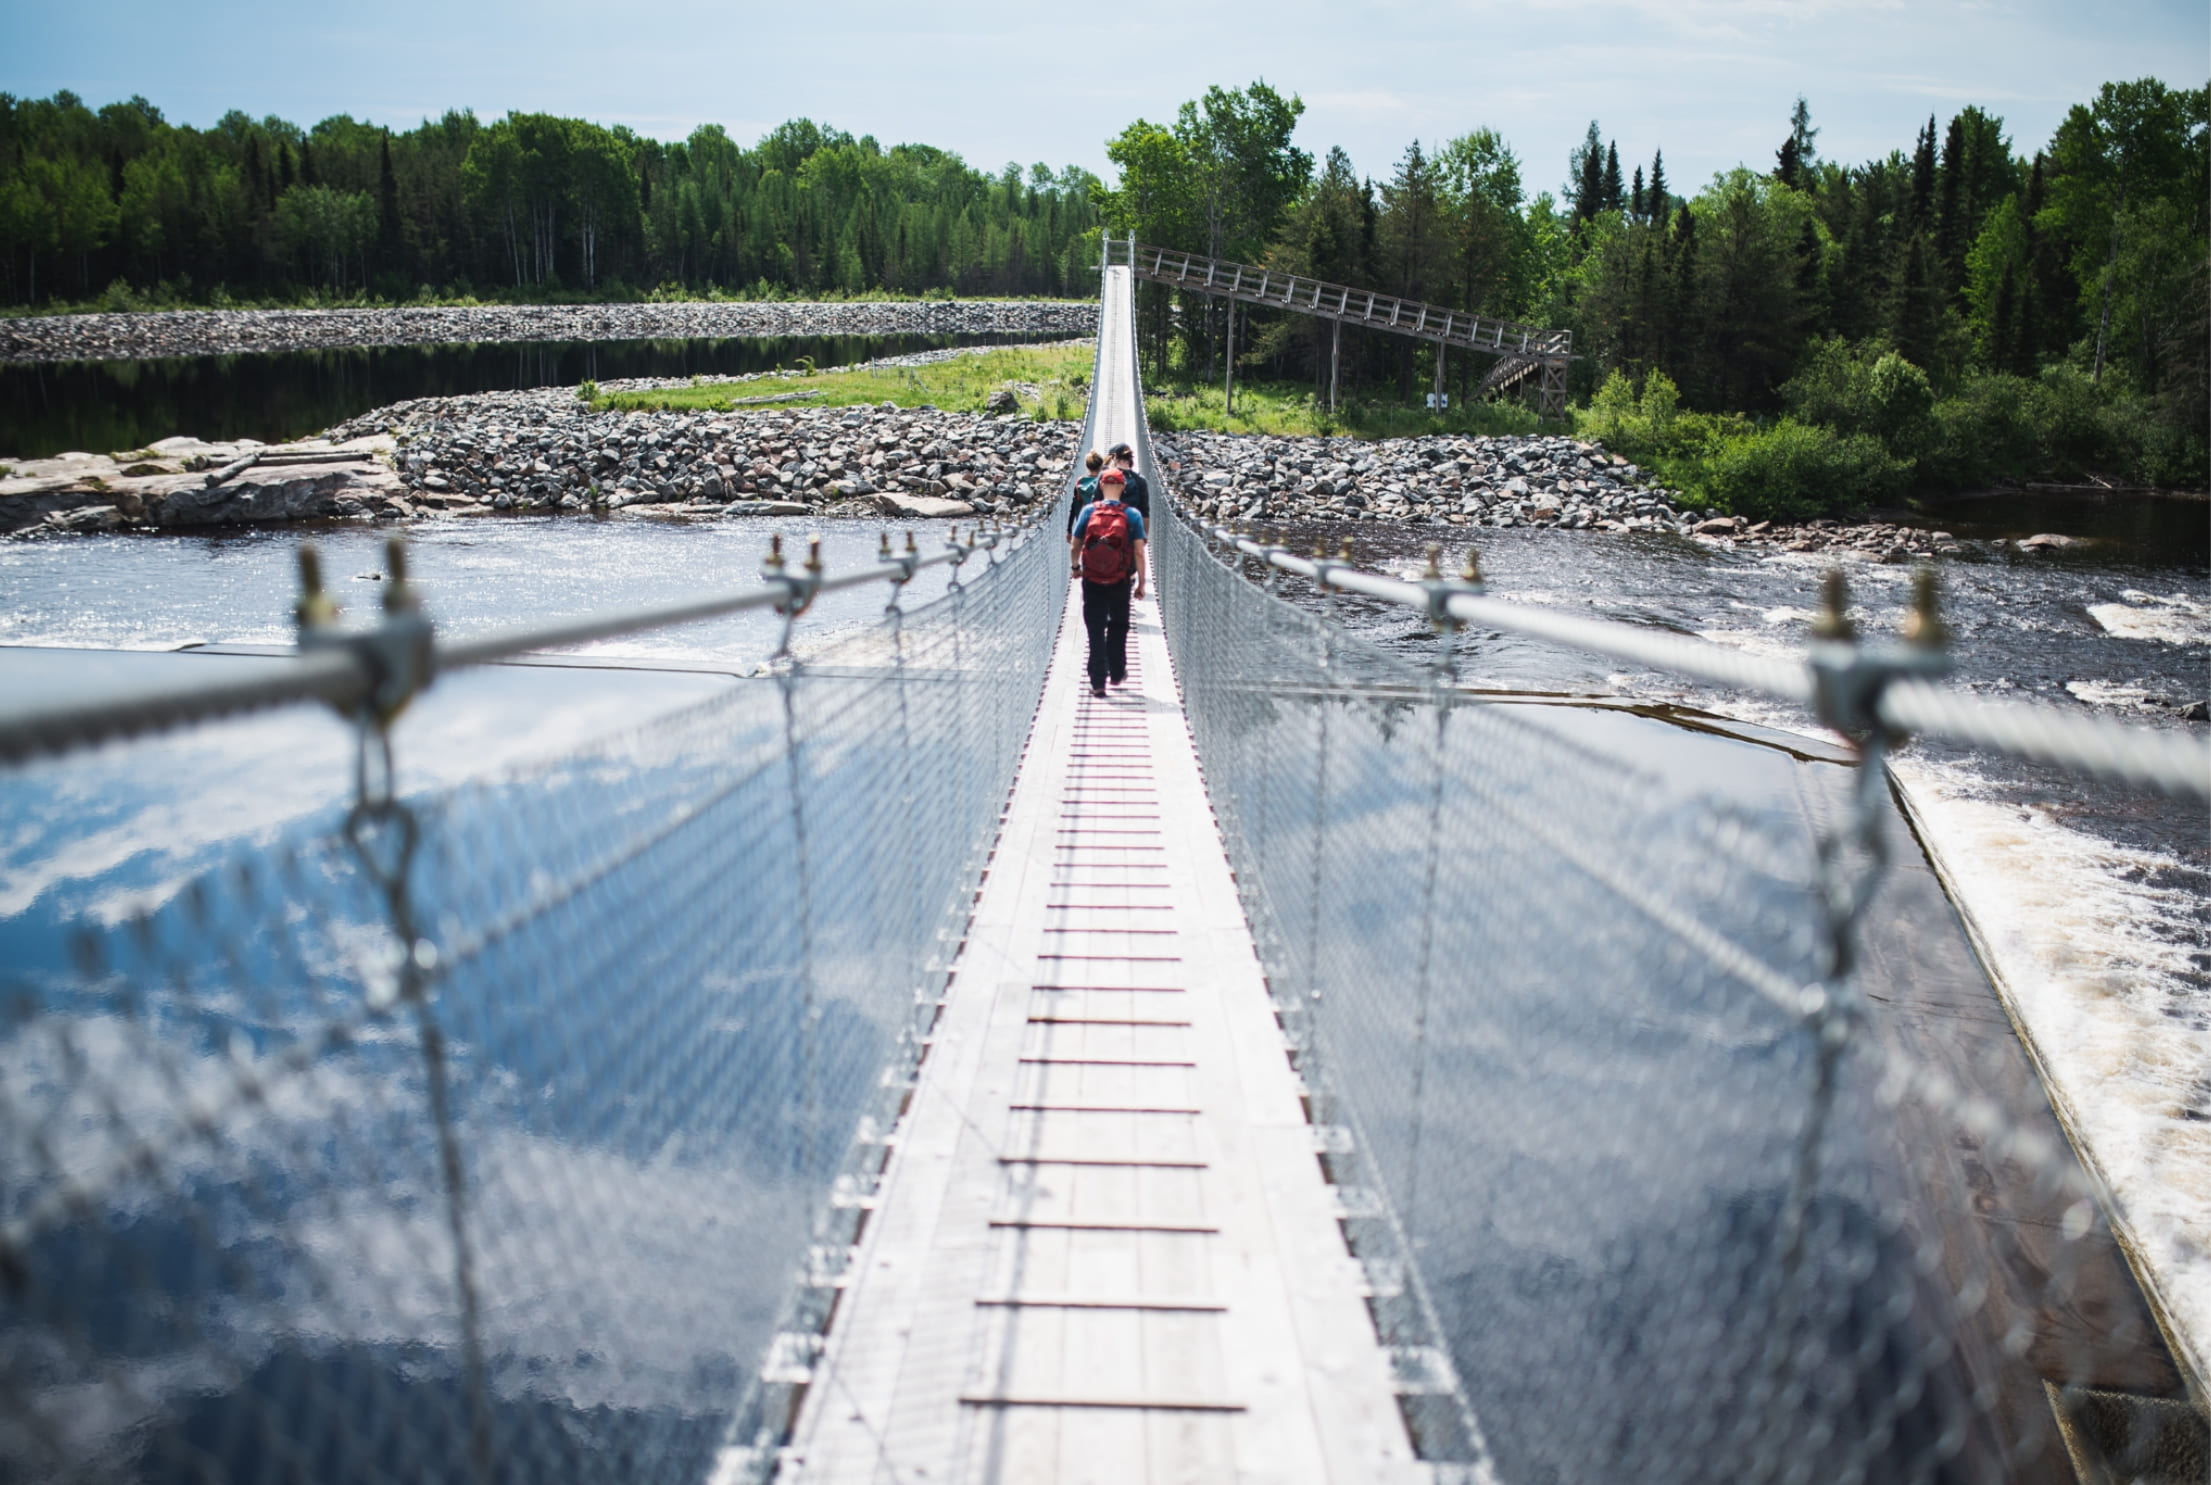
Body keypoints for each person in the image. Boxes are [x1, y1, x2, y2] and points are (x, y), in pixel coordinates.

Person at [1070, 467, 1146, 697]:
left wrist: (1075, 567)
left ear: (1100, 486)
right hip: (1120, 579)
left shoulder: (1087, 511)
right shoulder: (1132, 515)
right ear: (1123, 488)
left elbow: (1075, 544)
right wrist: (1141, 583)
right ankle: (1116, 671)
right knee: (1118, 626)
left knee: (1095, 629)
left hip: (1092, 578)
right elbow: (1140, 552)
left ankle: (1097, 682)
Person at [1106, 443, 1151, 524]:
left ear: (1115, 458)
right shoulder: (1140, 480)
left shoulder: (1105, 478)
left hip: (1108, 527)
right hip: (1131, 528)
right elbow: (1145, 513)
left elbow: (1094, 505)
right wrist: (1144, 535)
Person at [1066, 450, 1106, 537]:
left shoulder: (1080, 482)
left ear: (1087, 466)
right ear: (1101, 466)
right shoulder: (1104, 482)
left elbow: (1074, 507)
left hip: (1084, 527)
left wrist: (1069, 530)